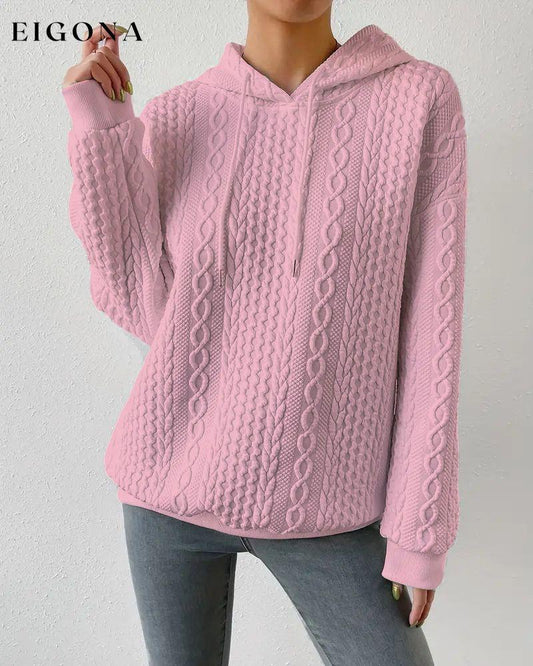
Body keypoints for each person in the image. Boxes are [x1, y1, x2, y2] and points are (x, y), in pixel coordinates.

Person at [61, 1, 467, 664]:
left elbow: (433, 327)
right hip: (167, 491)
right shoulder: (179, 114)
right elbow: (146, 307)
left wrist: (418, 528)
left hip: (330, 507)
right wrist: (101, 127)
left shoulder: (418, 98)